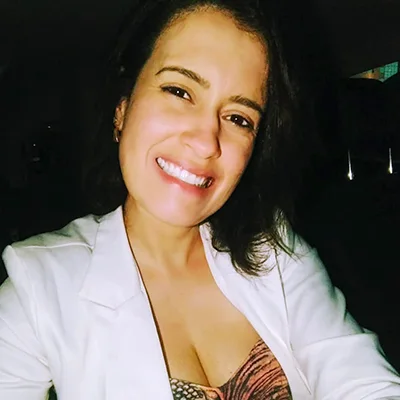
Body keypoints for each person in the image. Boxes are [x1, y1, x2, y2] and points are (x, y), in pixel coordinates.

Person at [1, 0, 399, 399]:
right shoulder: (38, 287)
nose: (207, 141)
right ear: (122, 108)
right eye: (179, 91)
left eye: (239, 118)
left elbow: (362, 380)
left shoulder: (275, 252)